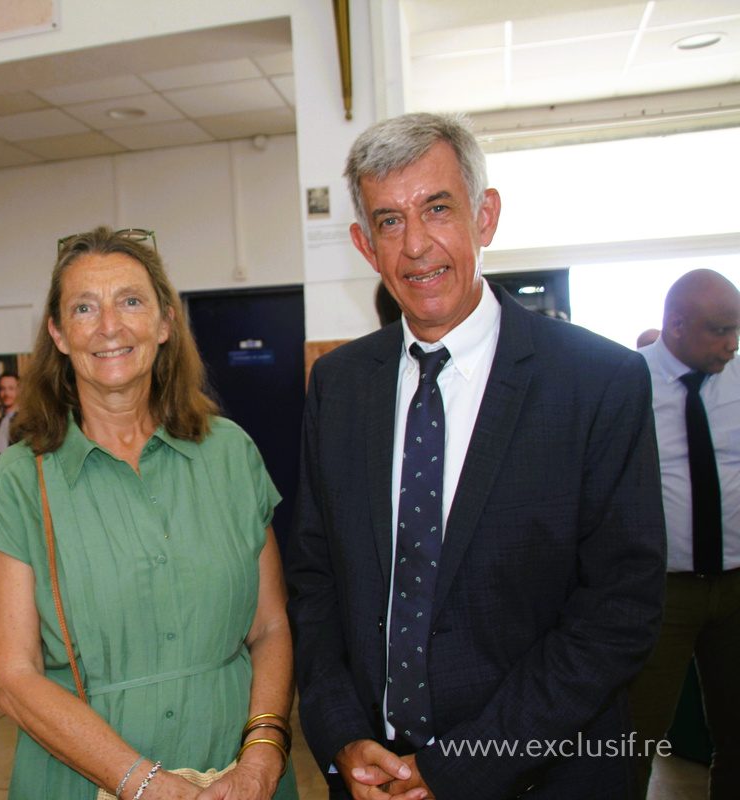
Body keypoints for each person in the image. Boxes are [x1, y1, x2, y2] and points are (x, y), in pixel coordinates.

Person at [284, 113, 667, 800]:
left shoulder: (597, 382)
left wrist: (461, 766)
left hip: (540, 777)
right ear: (364, 246)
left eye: (438, 209)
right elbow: (315, 583)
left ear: (485, 216)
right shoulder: (338, 387)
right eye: (389, 221)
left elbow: (619, 609)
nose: (417, 246)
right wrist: (343, 735)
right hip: (373, 778)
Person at [0, 227, 298, 800]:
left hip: (241, 778)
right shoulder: (21, 480)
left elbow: (269, 627)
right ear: (59, 334)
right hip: (82, 779)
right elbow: (13, 679)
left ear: (165, 323)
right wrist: (146, 784)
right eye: (84, 308)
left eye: (131, 301)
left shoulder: (231, 453)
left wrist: (264, 754)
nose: (109, 326)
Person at [630, 269, 740, 798]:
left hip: (738, 587)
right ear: (676, 325)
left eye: (737, 330)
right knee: (633, 739)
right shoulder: (626, 381)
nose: (731, 343)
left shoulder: (739, 381)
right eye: (719, 330)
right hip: (662, 593)